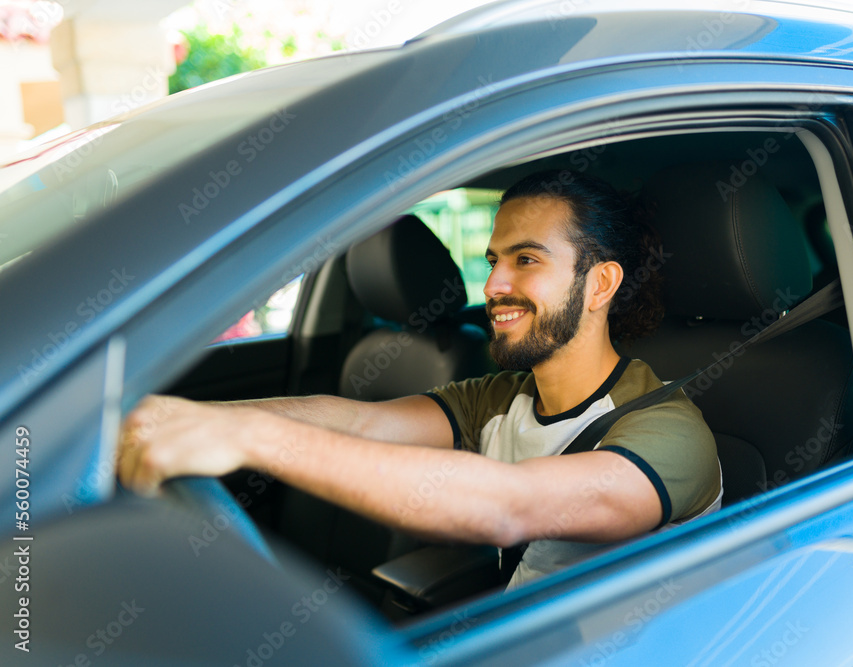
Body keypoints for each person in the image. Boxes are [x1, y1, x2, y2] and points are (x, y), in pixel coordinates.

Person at [117, 171, 722, 587]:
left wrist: (253, 439)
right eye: (493, 261)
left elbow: (508, 508)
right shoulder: (504, 395)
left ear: (600, 285)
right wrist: (193, 419)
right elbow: (359, 420)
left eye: (526, 260)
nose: (492, 287)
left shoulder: (666, 432)